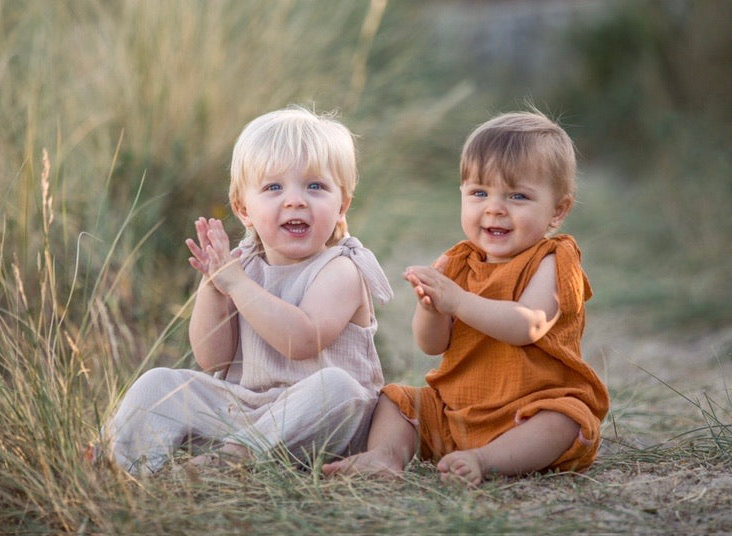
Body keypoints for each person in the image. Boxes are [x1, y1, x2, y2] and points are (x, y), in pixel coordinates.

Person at [323, 110, 609, 486]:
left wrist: (457, 302)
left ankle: (485, 459)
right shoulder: (457, 263)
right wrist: (431, 309)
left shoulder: (555, 259)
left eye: (517, 196)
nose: (494, 208)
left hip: (530, 411)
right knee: (396, 400)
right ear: (462, 195)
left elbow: (528, 324)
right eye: (479, 193)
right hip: (457, 412)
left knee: (566, 419)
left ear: (558, 210)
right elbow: (430, 345)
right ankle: (384, 456)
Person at [104, 106, 393, 475]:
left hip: (320, 422)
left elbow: (302, 340)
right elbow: (215, 361)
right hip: (245, 408)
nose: (295, 200)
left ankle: (231, 459)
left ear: (342, 206)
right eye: (274, 187)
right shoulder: (241, 266)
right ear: (243, 209)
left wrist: (237, 284)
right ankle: (121, 460)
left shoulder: (342, 268)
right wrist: (215, 285)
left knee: (339, 388)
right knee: (162, 382)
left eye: (315, 186)